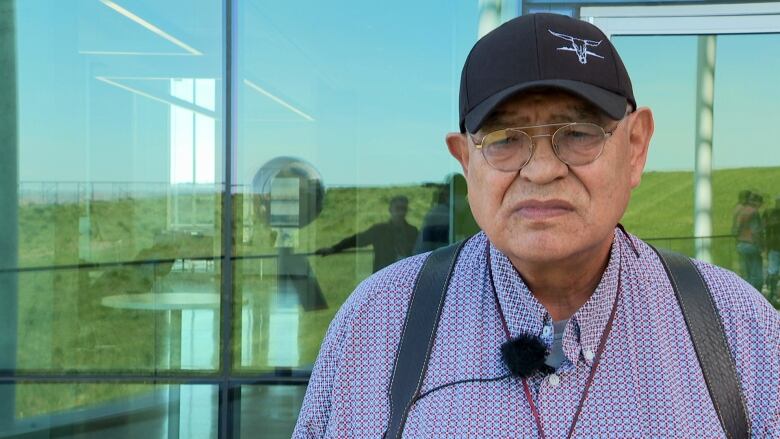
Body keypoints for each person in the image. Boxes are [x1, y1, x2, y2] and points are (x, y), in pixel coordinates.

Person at [294, 14, 780, 437]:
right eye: (504, 139)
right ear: (465, 160)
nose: (541, 169)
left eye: (579, 133)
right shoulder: (379, 324)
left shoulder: (735, 327)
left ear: (635, 148)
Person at [315, 195, 418, 273]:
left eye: (403, 209)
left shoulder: (413, 232)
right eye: (398, 208)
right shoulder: (380, 231)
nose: (400, 212)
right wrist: (334, 248)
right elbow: (357, 240)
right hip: (382, 278)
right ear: (390, 210)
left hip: (406, 278)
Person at [734, 191, 765, 290]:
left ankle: (747, 295)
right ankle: (757, 297)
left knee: (746, 275)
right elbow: (756, 231)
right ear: (757, 202)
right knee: (757, 276)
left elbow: (735, 229)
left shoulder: (740, 210)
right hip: (751, 244)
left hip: (740, 244)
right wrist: (761, 246)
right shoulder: (754, 213)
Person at [765, 195, 780, 302]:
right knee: (773, 271)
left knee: (773, 271)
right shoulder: (772, 214)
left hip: (773, 247)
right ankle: (773, 293)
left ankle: (773, 293)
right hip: (774, 247)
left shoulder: (771, 214)